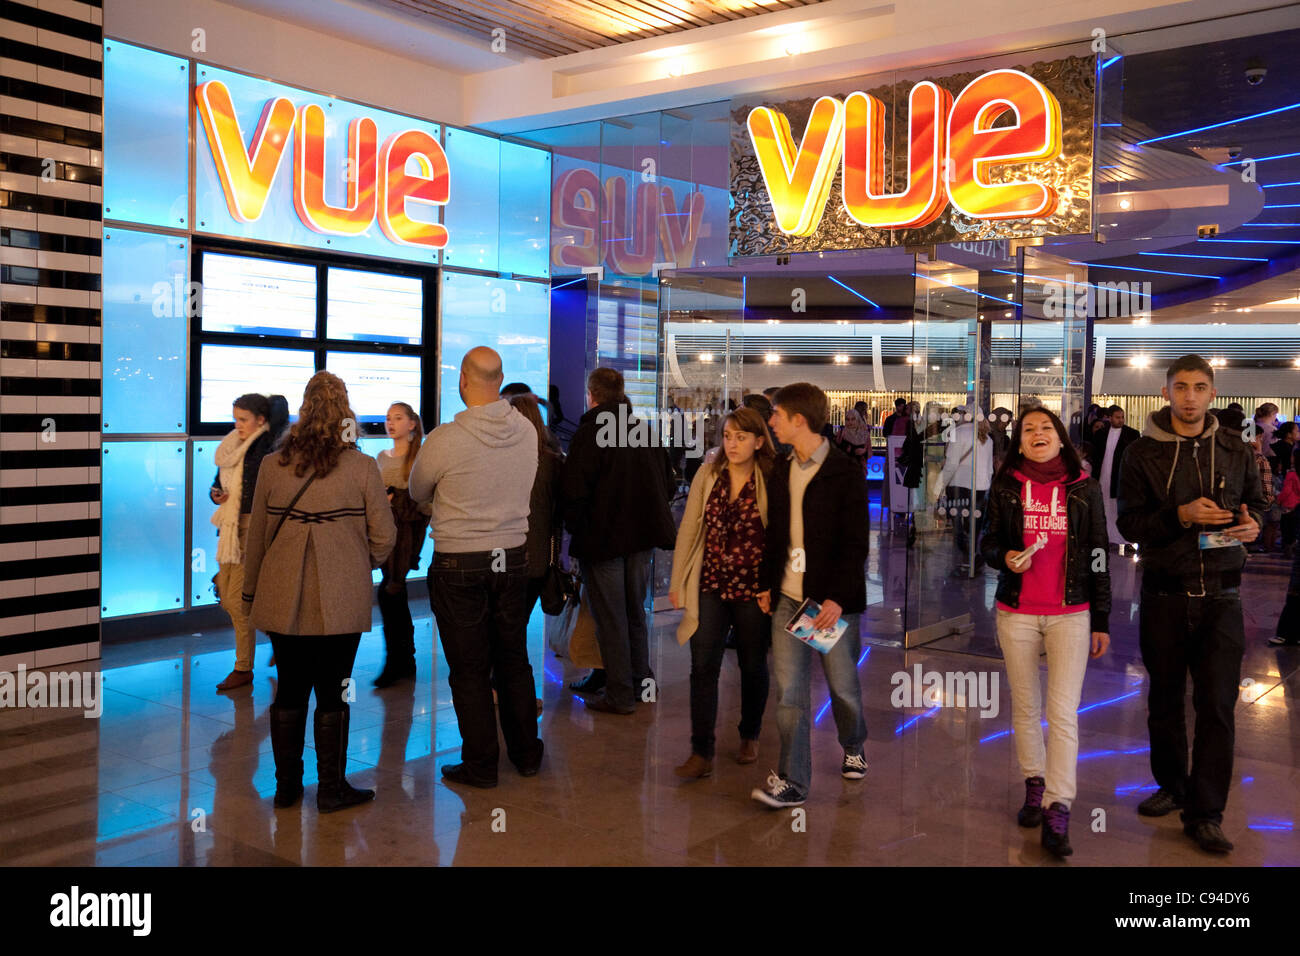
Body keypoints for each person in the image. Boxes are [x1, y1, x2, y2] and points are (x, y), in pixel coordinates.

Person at [1116, 354, 1265, 854]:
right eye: (1181, 387)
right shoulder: (1141, 453)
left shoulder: (1234, 448)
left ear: (1212, 393)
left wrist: (1255, 526)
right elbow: (1130, 525)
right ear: (1165, 392)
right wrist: (1179, 514)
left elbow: (1259, 505)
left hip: (1223, 596)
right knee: (1163, 700)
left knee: (1218, 706)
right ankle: (1173, 785)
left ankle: (1206, 812)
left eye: (1200, 387)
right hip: (1164, 594)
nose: (1190, 397)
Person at [241, 371, 397, 812]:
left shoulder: (274, 465)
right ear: (345, 412)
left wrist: (251, 593)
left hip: (282, 590)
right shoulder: (364, 467)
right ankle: (331, 789)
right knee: (334, 691)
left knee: (288, 689)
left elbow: (258, 540)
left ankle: (287, 788)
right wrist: (352, 561)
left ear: (303, 411)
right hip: (342, 593)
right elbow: (385, 538)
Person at [980, 407, 1111, 858]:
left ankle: (1059, 804)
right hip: (1016, 610)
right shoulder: (1007, 485)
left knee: (1063, 713)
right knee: (1025, 705)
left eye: (1046, 428)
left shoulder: (1084, 488)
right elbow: (988, 541)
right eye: (1028, 430)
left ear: (1061, 438)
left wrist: (1103, 618)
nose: (1038, 434)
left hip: (1070, 613)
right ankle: (1034, 782)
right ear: (1019, 442)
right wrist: (1005, 555)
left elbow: (1098, 553)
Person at [409, 347, 543, 787]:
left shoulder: (445, 439)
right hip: (513, 558)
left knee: (469, 668)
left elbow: (417, 491)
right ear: (500, 379)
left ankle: (481, 764)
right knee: (513, 660)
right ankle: (527, 755)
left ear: (464, 379)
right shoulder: (526, 431)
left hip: (459, 561)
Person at [750, 383, 870, 808]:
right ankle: (794, 781)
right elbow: (775, 533)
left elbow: (855, 542)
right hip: (787, 598)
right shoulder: (782, 467)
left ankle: (853, 743)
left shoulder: (843, 472)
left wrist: (837, 596)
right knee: (790, 696)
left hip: (829, 605)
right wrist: (766, 581)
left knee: (843, 689)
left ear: (799, 419)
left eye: (777, 414)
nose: (772, 422)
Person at [562, 368, 677, 713]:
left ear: (592, 394)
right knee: (634, 615)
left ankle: (620, 693)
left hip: (604, 542)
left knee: (611, 618)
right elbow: (668, 486)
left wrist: (576, 533)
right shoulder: (644, 430)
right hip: (641, 541)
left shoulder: (589, 433)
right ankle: (643, 685)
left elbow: (574, 491)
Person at [669, 407, 775, 778]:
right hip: (710, 582)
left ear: (759, 442)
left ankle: (750, 733)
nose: (732, 444)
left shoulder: (769, 478)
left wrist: (774, 586)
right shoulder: (709, 473)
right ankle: (701, 750)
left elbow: (780, 536)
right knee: (702, 665)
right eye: (728, 436)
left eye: (741, 437)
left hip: (752, 588)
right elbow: (690, 528)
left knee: (752, 663)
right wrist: (678, 579)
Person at [211, 393, 277, 692]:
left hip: (252, 528)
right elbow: (217, 483)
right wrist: (216, 494)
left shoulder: (268, 446)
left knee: (237, 599)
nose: (237, 425)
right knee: (226, 597)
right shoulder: (231, 446)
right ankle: (282, 636)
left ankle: (243, 667)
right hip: (229, 526)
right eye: (235, 418)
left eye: (243, 419)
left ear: (261, 420)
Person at [372, 402, 432, 688]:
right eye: (387, 418)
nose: (391, 423)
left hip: (407, 536)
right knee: (393, 595)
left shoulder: (419, 456)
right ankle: (403, 659)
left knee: (391, 592)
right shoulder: (381, 457)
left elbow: (425, 501)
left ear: (411, 423)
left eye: (398, 418)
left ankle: (398, 661)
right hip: (384, 534)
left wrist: (397, 498)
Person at [935, 405, 994, 573]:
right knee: (974, 525)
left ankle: (967, 556)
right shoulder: (987, 439)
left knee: (958, 525)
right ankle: (972, 555)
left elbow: (951, 464)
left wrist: (940, 485)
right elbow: (990, 469)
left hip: (959, 485)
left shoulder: (959, 433)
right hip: (981, 486)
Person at [1089, 404, 1140, 554]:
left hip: (1121, 476)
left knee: (1119, 507)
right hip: (1103, 474)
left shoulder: (1132, 434)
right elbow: (1096, 456)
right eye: (1117, 417)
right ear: (1109, 418)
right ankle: (1107, 538)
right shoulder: (1100, 434)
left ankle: (1125, 541)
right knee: (1104, 505)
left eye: (1122, 417)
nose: (1121, 420)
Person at [835, 407, 871, 473]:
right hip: (843, 469)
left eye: (853, 419)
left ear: (857, 420)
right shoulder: (842, 431)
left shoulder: (864, 433)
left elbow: (869, 453)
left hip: (860, 470)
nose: (850, 422)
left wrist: (863, 451)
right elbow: (835, 450)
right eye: (847, 419)